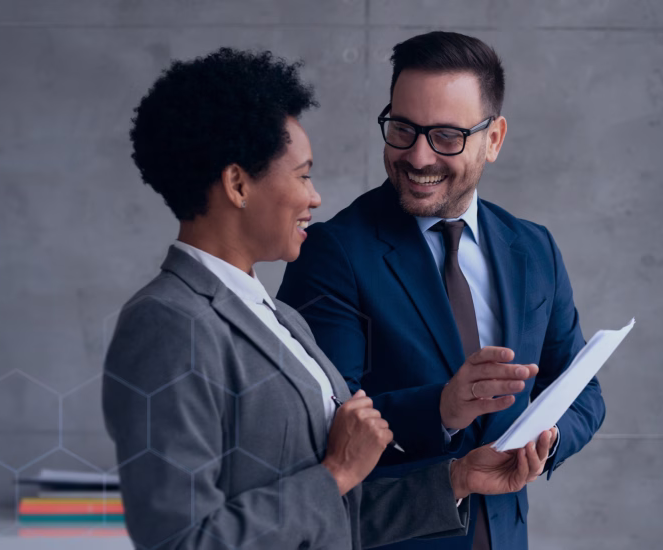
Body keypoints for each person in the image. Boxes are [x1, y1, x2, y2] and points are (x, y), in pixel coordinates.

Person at [102, 47, 555, 550]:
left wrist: (457, 479)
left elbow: (337, 515)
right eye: (302, 174)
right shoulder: (167, 323)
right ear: (237, 184)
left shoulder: (279, 320)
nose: (315, 197)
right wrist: (335, 473)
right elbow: (180, 541)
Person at [277, 32, 606, 550]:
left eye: (447, 136)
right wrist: (444, 409)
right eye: (403, 129)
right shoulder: (333, 252)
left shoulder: (534, 248)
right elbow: (319, 427)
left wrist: (550, 436)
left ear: (493, 139)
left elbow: (582, 389)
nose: (418, 156)